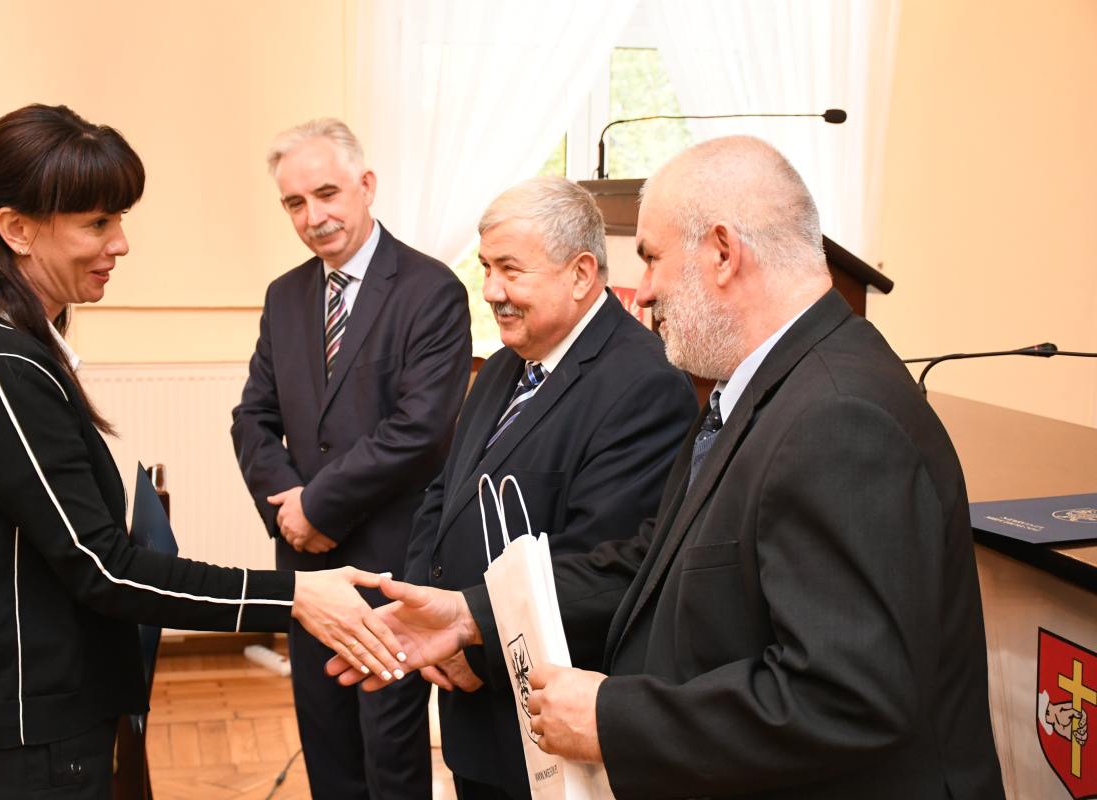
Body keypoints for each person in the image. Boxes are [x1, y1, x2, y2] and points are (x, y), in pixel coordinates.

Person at [331, 136, 1007, 799]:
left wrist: (612, 720)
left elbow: (846, 698)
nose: (645, 291)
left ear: (722, 253)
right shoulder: (761, 391)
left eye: (652, 259)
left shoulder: (838, 417)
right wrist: (471, 614)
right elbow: (646, 562)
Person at [0, 104, 406, 800]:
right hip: (13, 746)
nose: (121, 243)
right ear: (16, 229)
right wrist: (293, 595)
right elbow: (105, 567)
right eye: (97, 223)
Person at [403, 176, 696, 799]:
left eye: (510, 269)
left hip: (548, 728)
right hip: (472, 713)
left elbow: (607, 563)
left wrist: (470, 640)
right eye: (486, 268)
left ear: (581, 273)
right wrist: (427, 611)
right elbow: (444, 495)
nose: (490, 291)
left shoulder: (643, 384)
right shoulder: (502, 365)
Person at [231, 118, 471, 800]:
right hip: (307, 568)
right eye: (294, 203)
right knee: (327, 748)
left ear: (366, 185)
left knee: (390, 758)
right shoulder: (284, 296)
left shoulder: (431, 290)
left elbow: (419, 430)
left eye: (327, 194)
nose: (313, 217)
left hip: (391, 568)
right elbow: (253, 417)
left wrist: (317, 506)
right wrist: (290, 515)